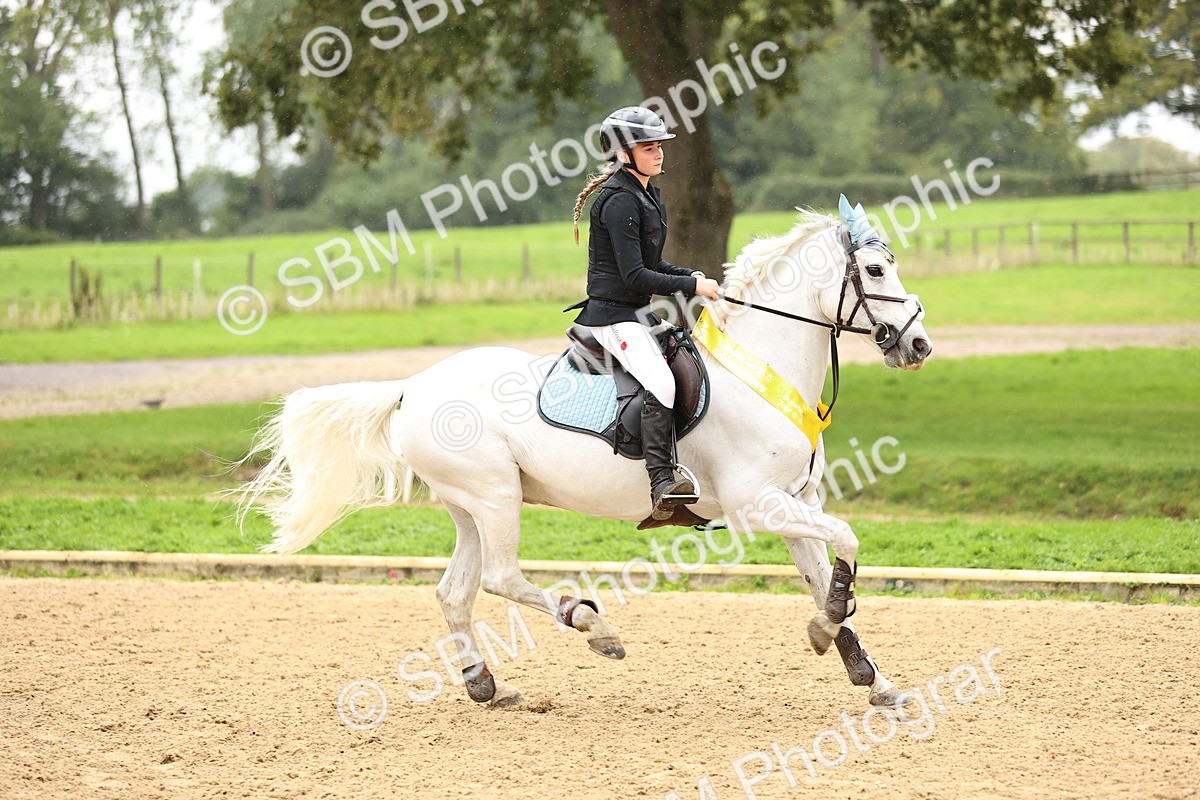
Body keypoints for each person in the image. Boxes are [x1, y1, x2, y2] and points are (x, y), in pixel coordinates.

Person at [568, 106, 722, 520]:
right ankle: (661, 481)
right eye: (649, 147)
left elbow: (654, 264)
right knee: (661, 381)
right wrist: (691, 286)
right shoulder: (618, 201)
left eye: (659, 147)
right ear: (623, 154)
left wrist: (692, 275)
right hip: (611, 317)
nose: (659, 154)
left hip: (636, 313)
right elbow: (635, 275)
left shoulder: (648, 193)